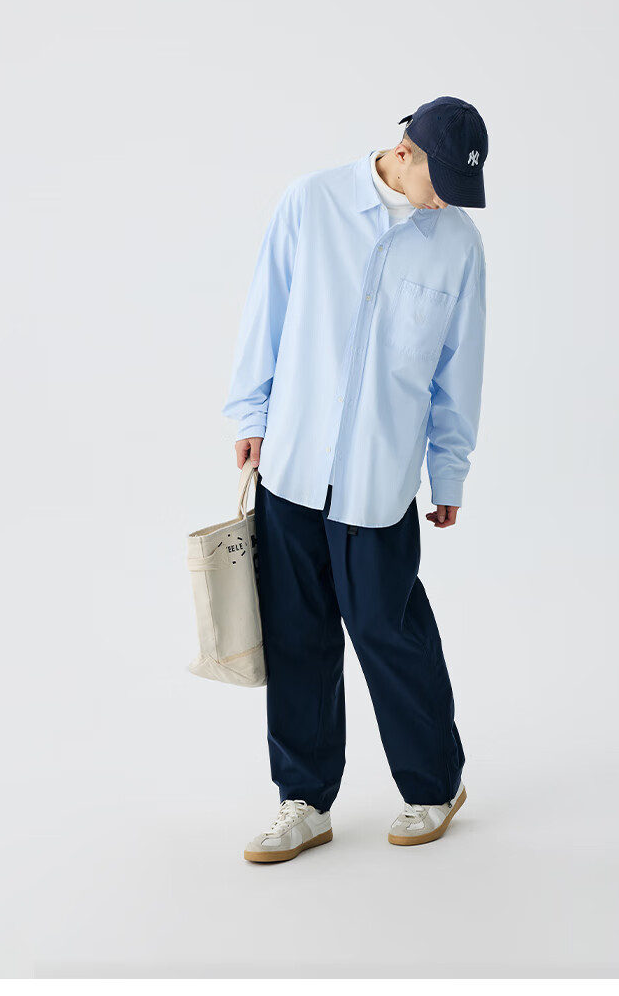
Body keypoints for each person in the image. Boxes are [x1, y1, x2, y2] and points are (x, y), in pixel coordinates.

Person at [221, 95, 488, 863]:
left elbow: (458, 370)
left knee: (387, 630)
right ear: (406, 153)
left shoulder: (458, 247)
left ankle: (435, 783)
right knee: (297, 636)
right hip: (293, 467)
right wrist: (251, 412)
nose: (447, 203)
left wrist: (448, 471)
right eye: (441, 183)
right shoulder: (311, 203)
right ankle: (304, 801)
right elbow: (266, 310)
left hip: (379, 477)